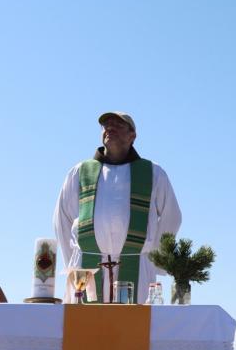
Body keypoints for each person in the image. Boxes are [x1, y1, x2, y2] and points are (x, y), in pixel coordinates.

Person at [54, 111, 182, 302]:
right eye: (106, 125)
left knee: (134, 321)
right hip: (87, 268)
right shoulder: (80, 172)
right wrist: (75, 257)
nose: (110, 128)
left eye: (118, 124)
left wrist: (154, 258)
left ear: (132, 135)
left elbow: (172, 216)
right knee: (83, 321)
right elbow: (62, 218)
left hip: (136, 267)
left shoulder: (152, 173)